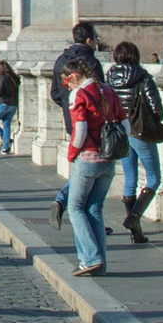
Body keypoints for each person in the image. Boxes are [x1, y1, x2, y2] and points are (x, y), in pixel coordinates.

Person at [59, 53, 124, 277]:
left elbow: (81, 131)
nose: (67, 87)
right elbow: (125, 123)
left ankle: (89, 258)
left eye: (67, 82)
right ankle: (100, 263)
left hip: (87, 158)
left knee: (75, 209)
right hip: (109, 160)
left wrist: (71, 155)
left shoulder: (80, 94)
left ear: (75, 76)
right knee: (94, 208)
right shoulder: (110, 91)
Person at [105, 41, 163, 244]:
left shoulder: (110, 77)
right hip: (140, 131)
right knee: (153, 178)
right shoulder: (143, 77)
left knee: (130, 178)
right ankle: (134, 218)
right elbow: (156, 106)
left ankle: (136, 232)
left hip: (121, 131)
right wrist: (156, 120)